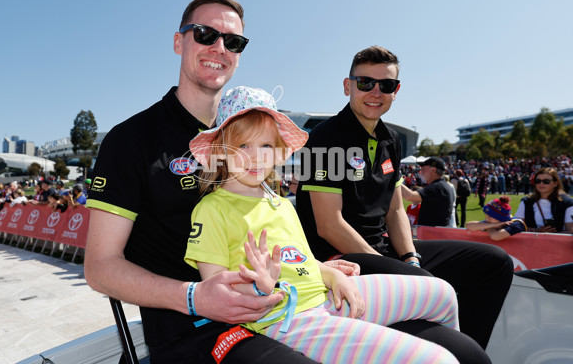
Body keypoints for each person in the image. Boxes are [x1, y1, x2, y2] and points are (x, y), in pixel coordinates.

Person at [84, 0, 319, 364]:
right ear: (179, 42)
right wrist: (193, 296)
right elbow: (99, 267)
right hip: (194, 329)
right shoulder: (132, 139)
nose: (219, 47)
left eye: (233, 41)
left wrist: (315, 269)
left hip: (282, 304)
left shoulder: (251, 138)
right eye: (205, 34)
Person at [185, 86, 459, 364]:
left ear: (279, 152)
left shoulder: (280, 203)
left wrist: (331, 275)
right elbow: (215, 292)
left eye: (266, 145)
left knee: (444, 293)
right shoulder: (212, 209)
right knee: (439, 360)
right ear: (221, 150)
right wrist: (259, 287)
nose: (256, 157)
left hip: (325, 296)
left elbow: (302, 260)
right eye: (243, 145)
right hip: (289, 319)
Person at [295, 45, 512, 360]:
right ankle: (458, 350)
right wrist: (394, 272)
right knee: (437, 297)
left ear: (396, 91)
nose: (376, 91)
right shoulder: (325, 137)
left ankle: (461, 344)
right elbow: (330, 225)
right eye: (365, 82)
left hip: (383, 252)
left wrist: (409, 258)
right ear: (347, 85)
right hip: (342, 260)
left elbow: (396, 209)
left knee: (495, 262)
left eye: (387, 85)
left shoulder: (391, 140)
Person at [513, 167, 573, 233]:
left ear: (555, 183)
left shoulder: (567, 203)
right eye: (538, 181)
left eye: (546, 181)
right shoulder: (526, 201)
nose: (541, 184)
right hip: (531, 242)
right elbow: (516, 226)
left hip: (558, 242)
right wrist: (536, 231)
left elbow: (570, 230)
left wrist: (549, 236)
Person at [400, 157, 455, 227]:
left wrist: (395, 180)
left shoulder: (437, 187)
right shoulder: (442, 185)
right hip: (435, 233)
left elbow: (410, 196)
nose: (421, 170)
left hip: (432, 235)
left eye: (423, 168)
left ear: (433, 169)